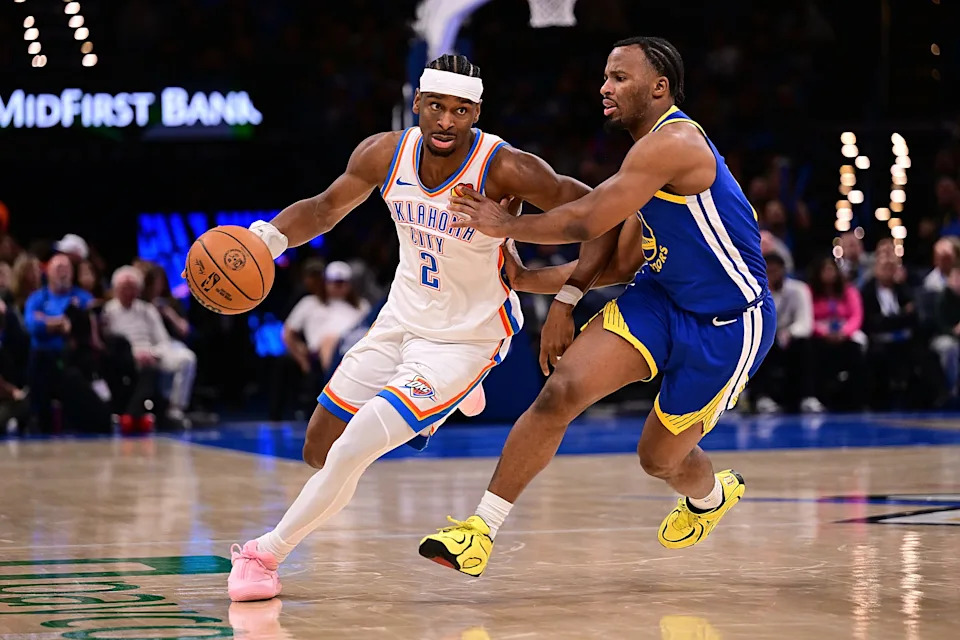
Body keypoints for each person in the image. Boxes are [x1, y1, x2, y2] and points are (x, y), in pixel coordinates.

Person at [222, 54, 630, 602]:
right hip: (400, 319)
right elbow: (322, 210)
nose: (445, 122)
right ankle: (444, 405)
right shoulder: (382, 154)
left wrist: (565, 294)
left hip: (469, 335)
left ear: (476, 113)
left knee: (353, 450)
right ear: (417, 104)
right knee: (320, 449)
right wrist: (265, 241)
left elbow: (597, 214)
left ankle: (263, 556)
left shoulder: (505, 168)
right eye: (436, 107)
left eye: (460, 111)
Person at [418, 36, 776, 576]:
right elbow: (620, 262)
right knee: (560, 393)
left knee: (658, 459)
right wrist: (537, 285)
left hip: (728, 323)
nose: (605, 88)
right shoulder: (643, 157)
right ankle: (479, 531)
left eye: (619, 78)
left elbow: (587, 220)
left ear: (659, 88)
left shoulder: (674, 142)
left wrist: (507, 224)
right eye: (605, 77)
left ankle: (710, 497)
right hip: (659, 299)